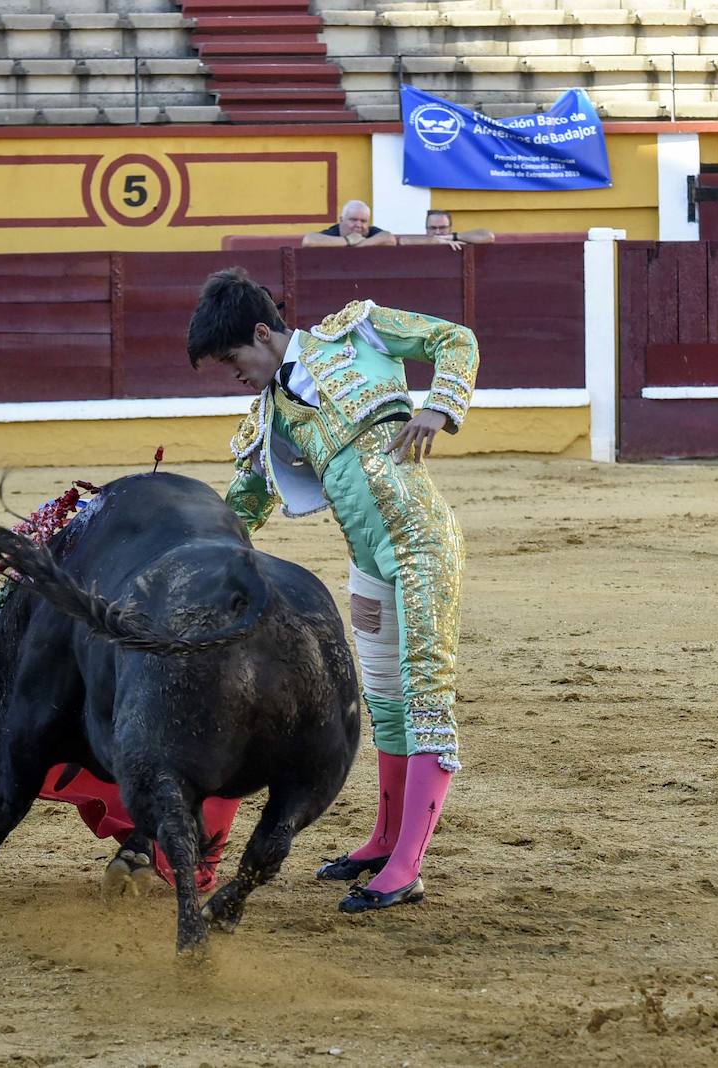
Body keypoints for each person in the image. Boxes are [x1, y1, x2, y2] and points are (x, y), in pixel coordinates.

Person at [187, 267, 478, 914]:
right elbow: (249, 500)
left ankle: (407, 867)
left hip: (422, 544)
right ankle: (382, 839)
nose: (234, 378)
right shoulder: (270, 419)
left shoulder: (358, 335)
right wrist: (191, 539)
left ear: (262, 333)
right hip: (369, 562)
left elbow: (455, 339)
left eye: (233, 360)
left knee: (426, 697)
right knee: (387, 703)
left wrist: (440, 405)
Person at [302, 199, 397, 248]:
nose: (359, 225)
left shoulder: (370, 231)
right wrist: (348, 240)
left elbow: (389, 238)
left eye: (363, 221)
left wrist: (360, 244)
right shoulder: (335, 231)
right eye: (353, 220)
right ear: (341, 220)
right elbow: (308, 240)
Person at [400, 209, 496, 250]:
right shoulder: (421, 240)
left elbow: (488, 236)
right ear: (426, 228)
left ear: (450, 227)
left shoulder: (457, 239)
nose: (437, 232)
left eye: (442, 227)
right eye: (433, 228)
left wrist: (451, 237)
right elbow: (403, 241)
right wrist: (436, 241)